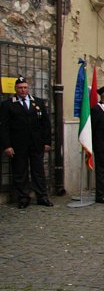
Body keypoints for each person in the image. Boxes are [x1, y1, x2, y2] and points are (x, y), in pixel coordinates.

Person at [0, 76, 52, 208]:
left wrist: (47, 142)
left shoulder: (38, 102)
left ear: (28, 88)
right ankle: (23, 197)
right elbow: (4, 127)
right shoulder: (8, 104)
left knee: (38, 171)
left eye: (25, 87)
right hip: (18, 145)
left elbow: (45, 124)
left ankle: (42, 196)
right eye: (20, 88)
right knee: (20, 171)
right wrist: (7, 145)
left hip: (36, 144)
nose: (23, 90)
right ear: (15, 89)